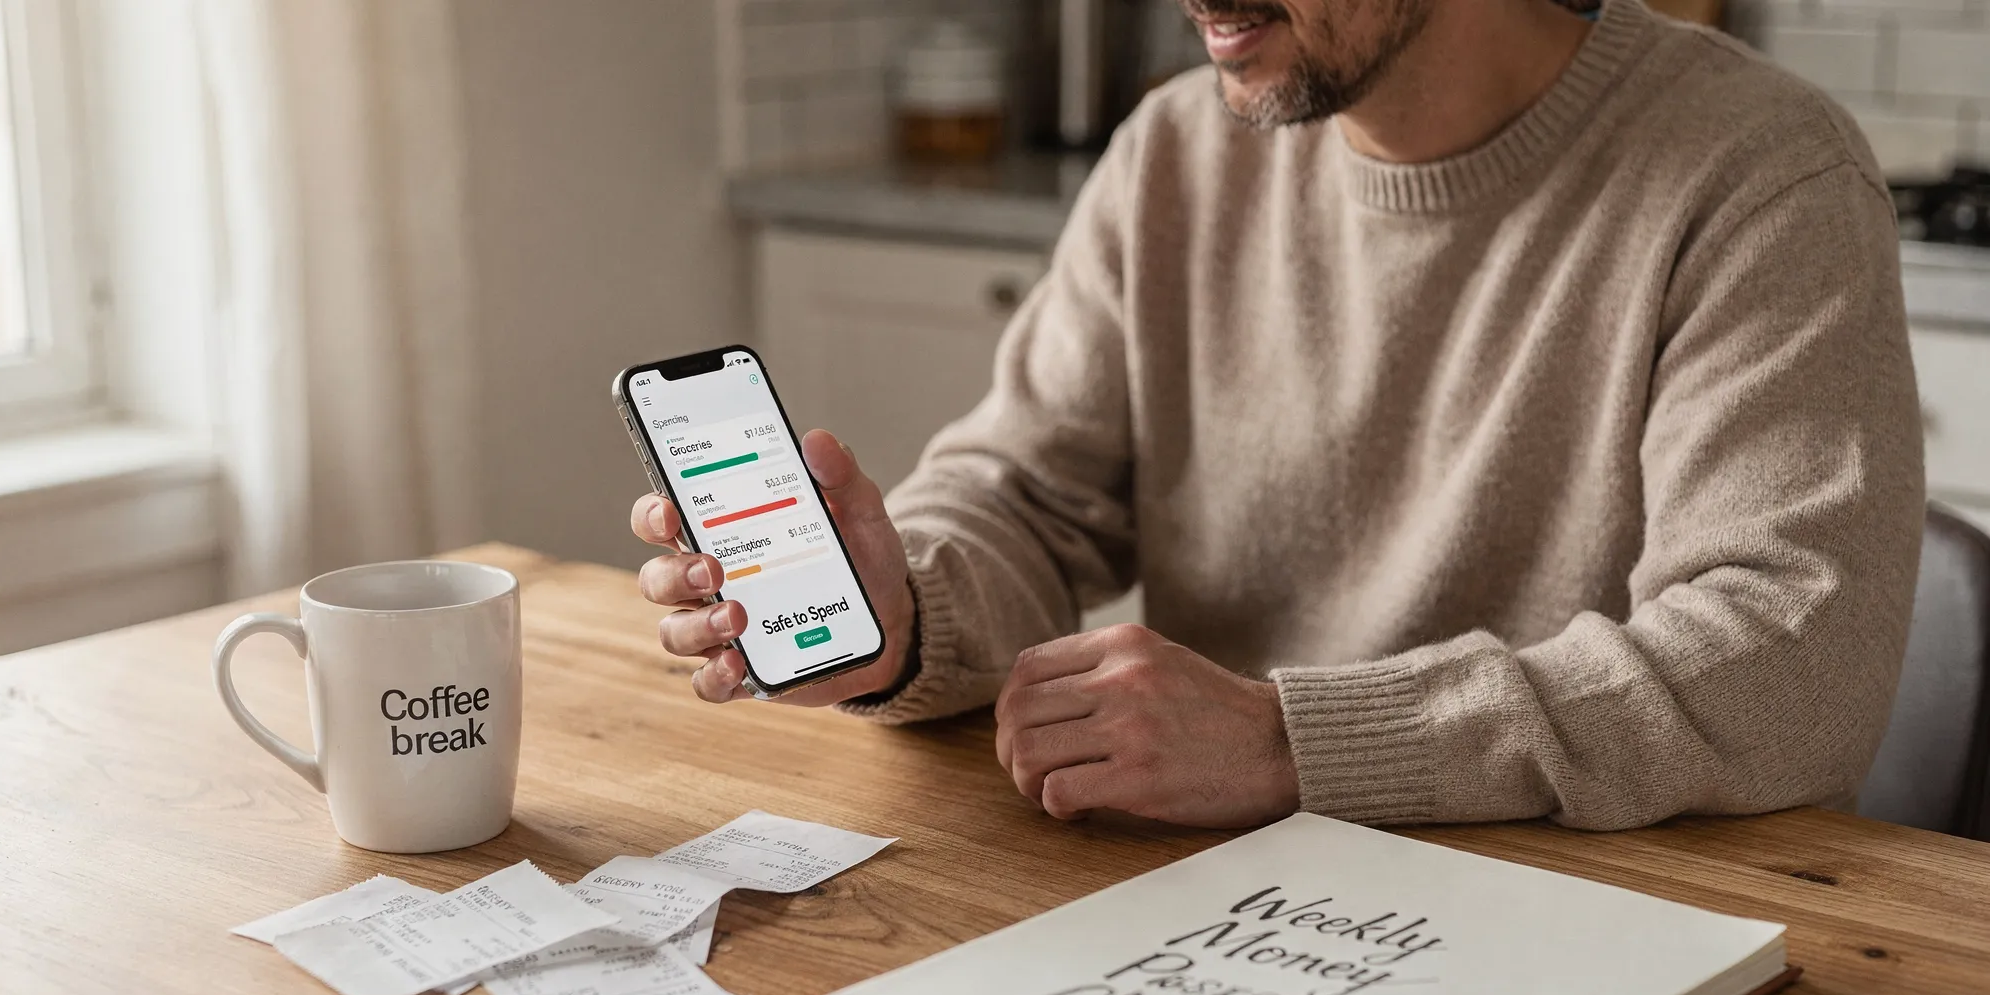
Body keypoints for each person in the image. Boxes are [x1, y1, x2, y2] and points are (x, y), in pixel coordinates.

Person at [633, 0, 1924, 831]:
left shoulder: (1758, 170)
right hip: (1240, 919)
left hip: (1625, 925)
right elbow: (1027, 491)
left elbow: (1786, 657)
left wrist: (1299, 745)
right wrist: (905, 612)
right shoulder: (1176, 151)